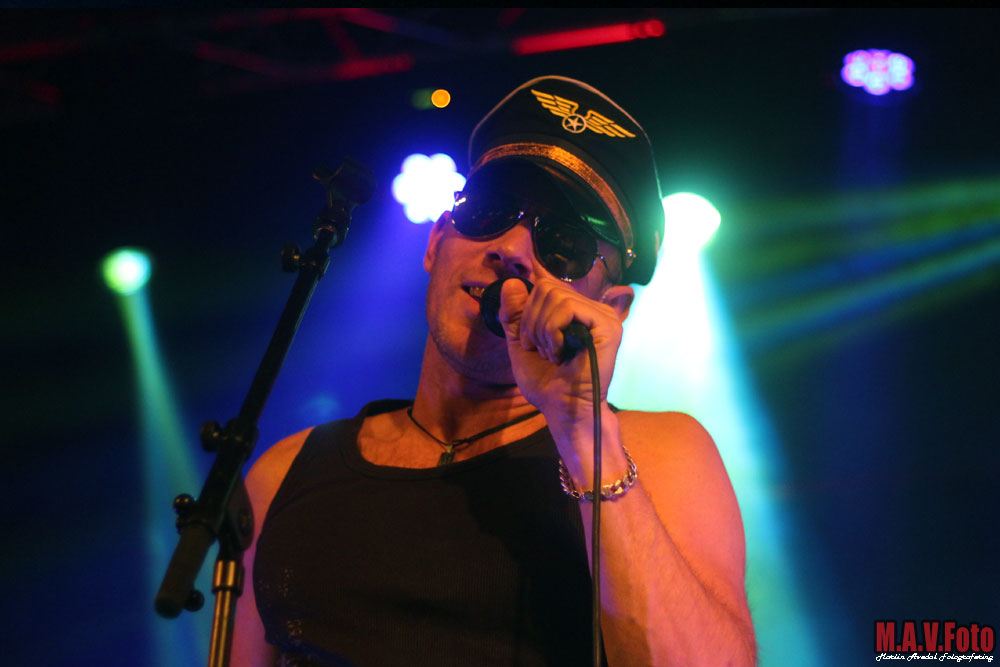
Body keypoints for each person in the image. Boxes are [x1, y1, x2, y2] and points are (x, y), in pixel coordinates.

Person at [231, 76, 756, 666]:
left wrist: (583, 434)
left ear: (611, 308)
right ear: (437, 242)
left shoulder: (660, 453)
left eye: (563, 244)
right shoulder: (284, 474)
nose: (512, 249)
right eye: (488, 210)